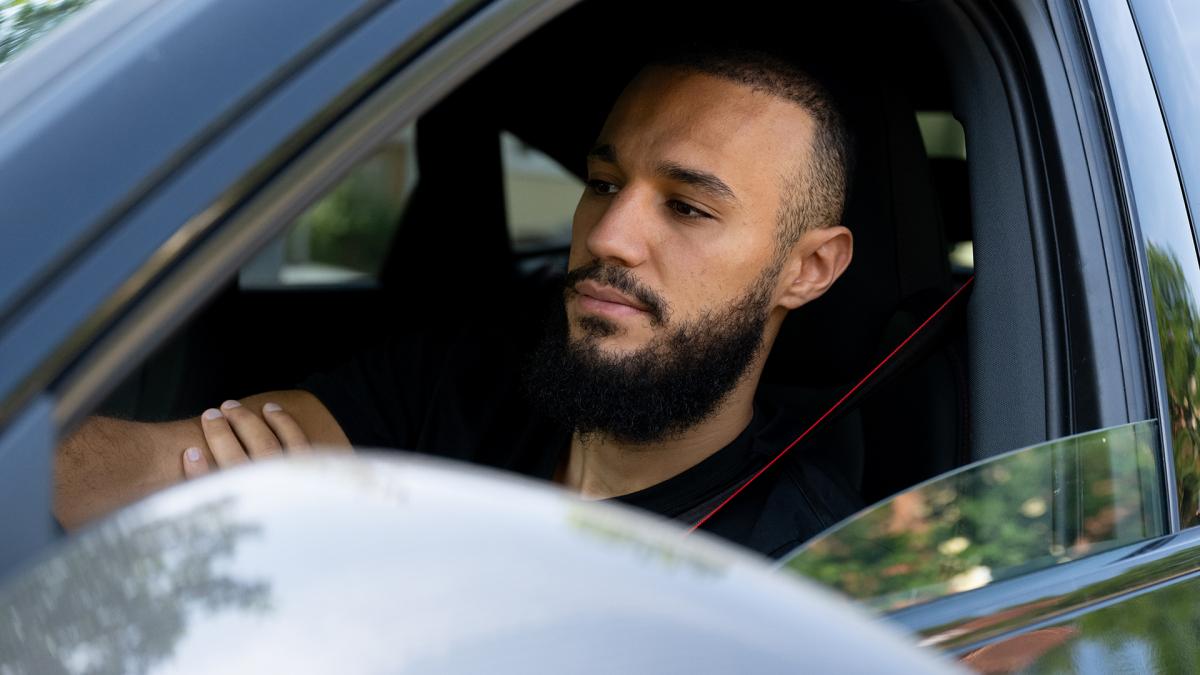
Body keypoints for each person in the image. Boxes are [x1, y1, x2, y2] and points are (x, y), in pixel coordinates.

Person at [54, 48, 861, 558]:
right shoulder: (462, 382)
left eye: (686, 207)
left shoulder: (800, 563)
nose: (608, 234)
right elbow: (152, 474)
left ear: (809, 268)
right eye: (603, 184)